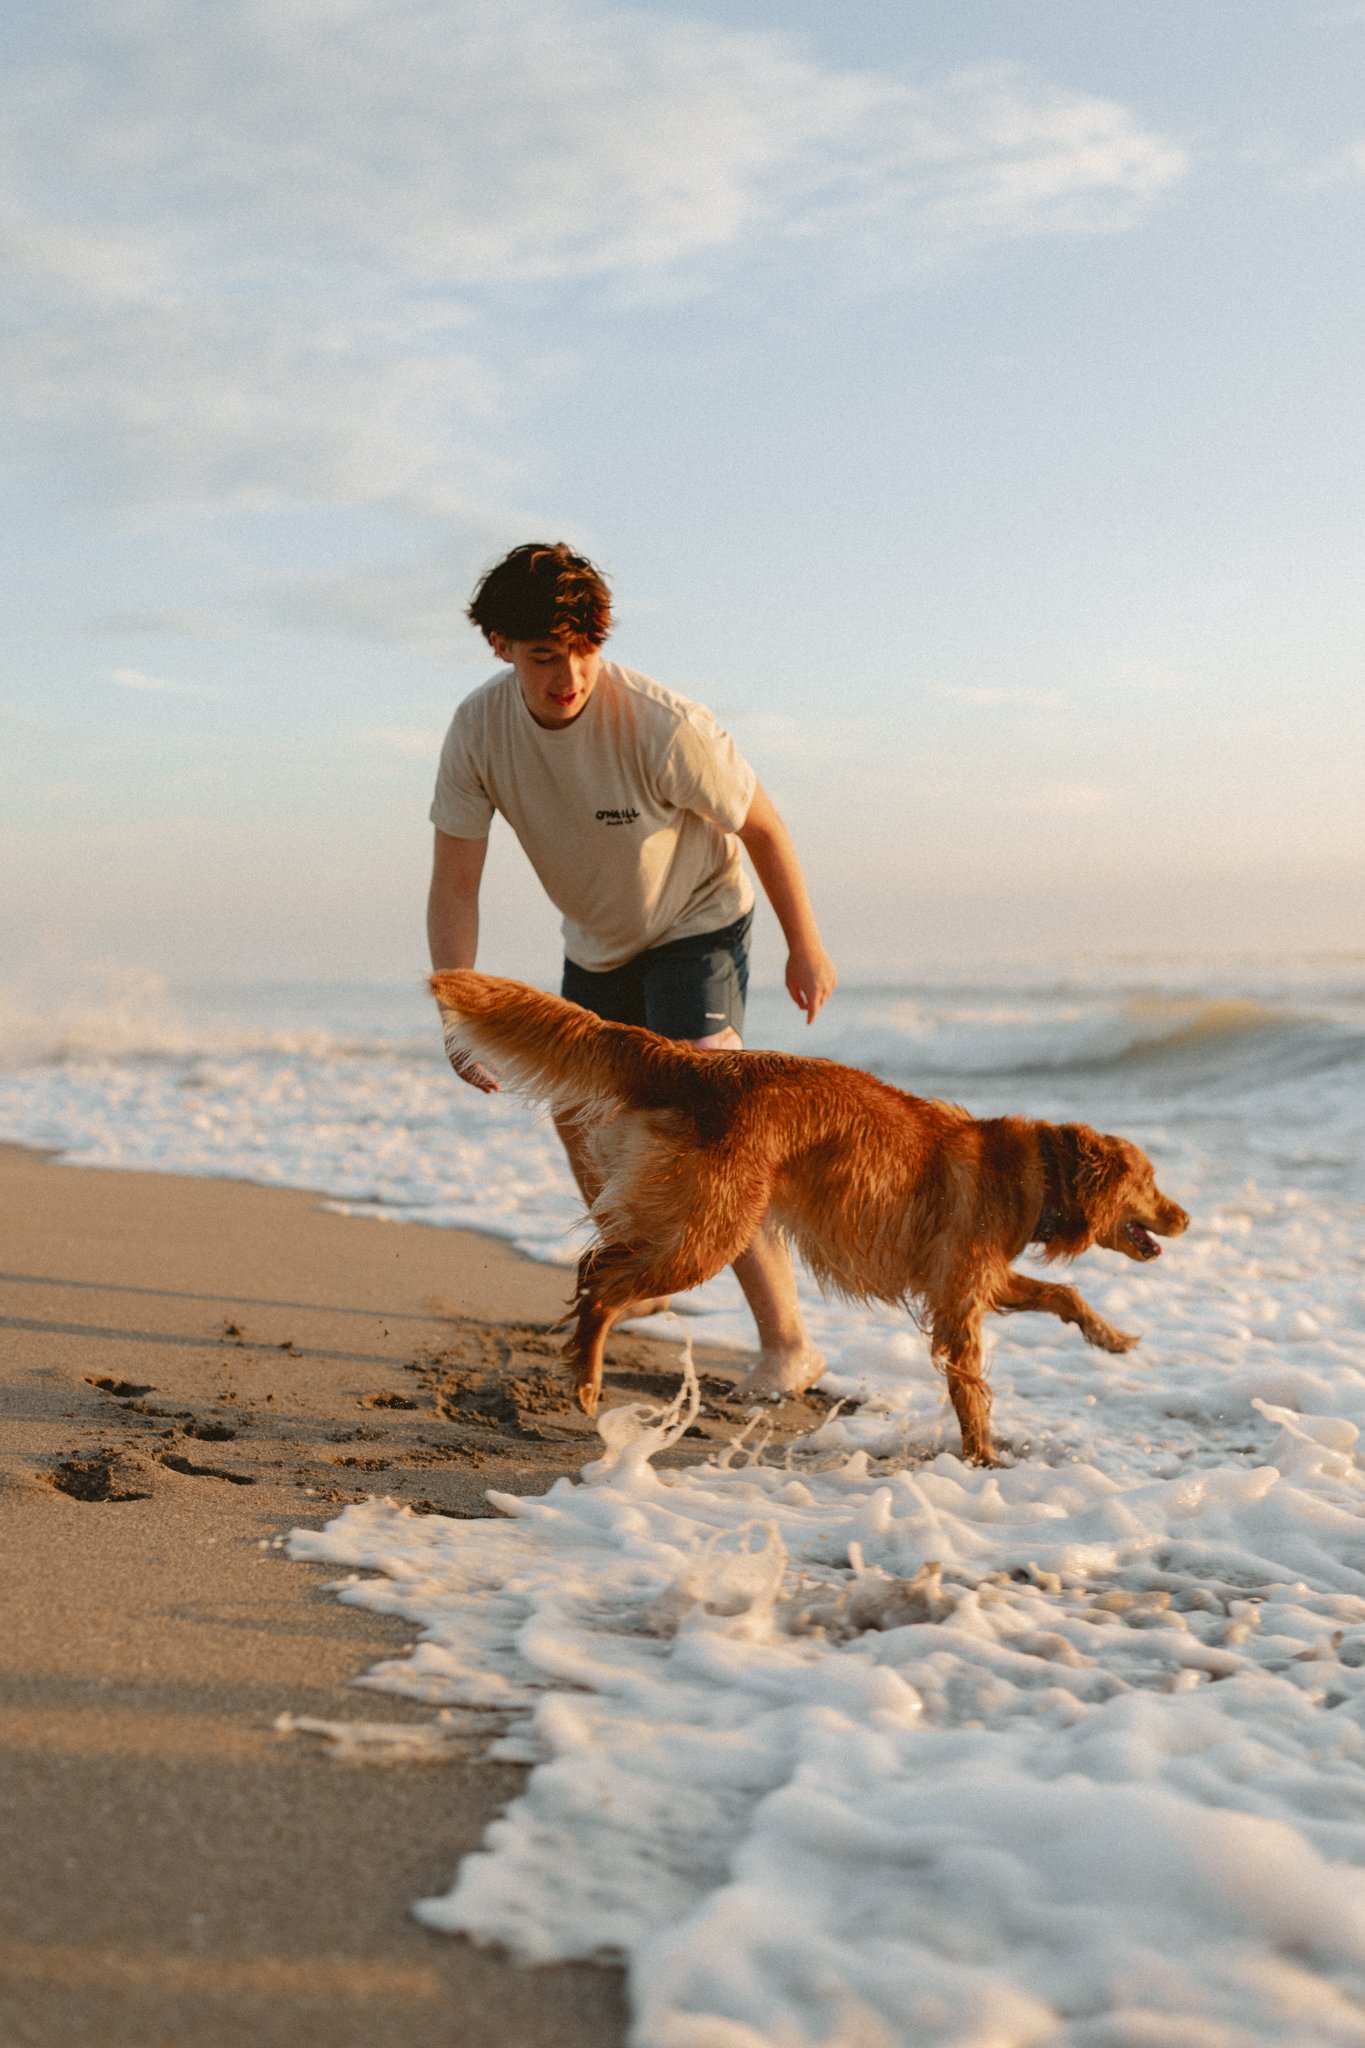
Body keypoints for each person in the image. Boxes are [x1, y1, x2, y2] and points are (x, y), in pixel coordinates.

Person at [426, 541, 836, 1399]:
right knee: (581, 1113)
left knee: (711, 1123)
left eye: (582, 651)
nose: (567, 675)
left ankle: (788, 1342)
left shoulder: (662, 724)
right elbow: (455, 882)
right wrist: (458, 1013)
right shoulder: (478, 730)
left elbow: (762, 827)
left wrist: (804, 943)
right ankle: (637, 1278)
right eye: (543, 656)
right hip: (598, 941)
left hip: (697, 923)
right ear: (501, 646)